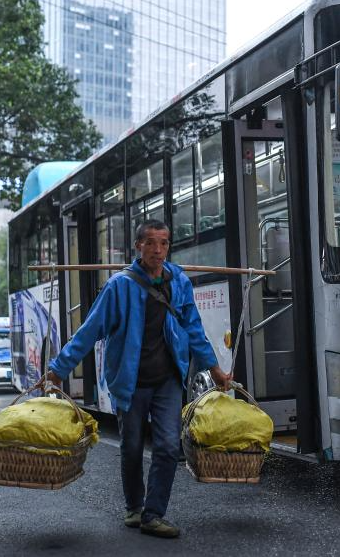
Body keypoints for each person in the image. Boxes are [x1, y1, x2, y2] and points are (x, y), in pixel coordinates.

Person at [46, 219, 231, 539]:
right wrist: (59, 370)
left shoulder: (179, 282)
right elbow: (89, 331)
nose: (158, 250)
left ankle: (153, 513)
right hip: (129, 380)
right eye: (151, 243)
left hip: (168, 379)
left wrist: (213, 367)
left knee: (168, 446)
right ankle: (134, 506)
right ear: (138, 247)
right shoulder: (120, 286)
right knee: (131, 446)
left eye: (164, 243)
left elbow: (193, 328)